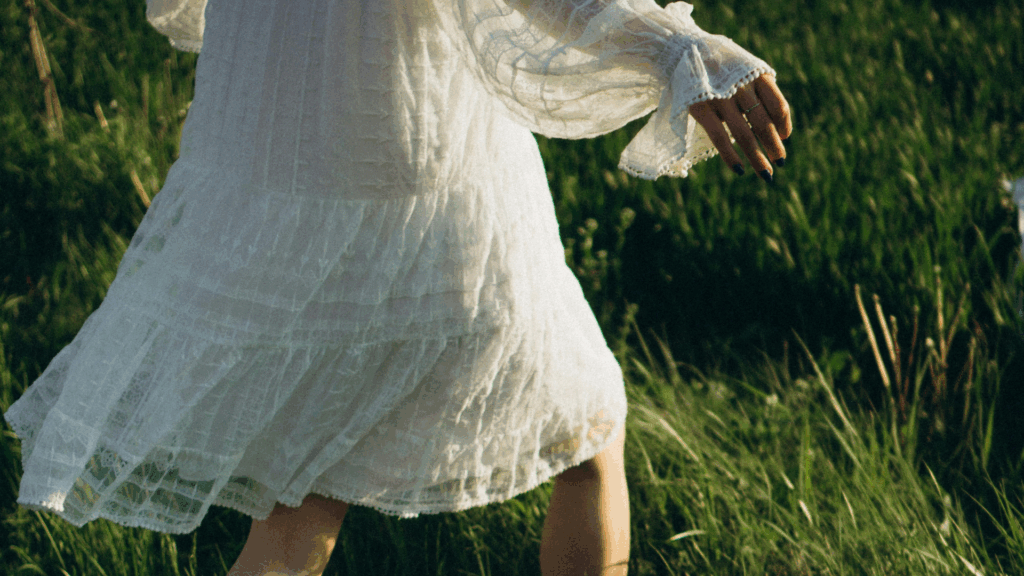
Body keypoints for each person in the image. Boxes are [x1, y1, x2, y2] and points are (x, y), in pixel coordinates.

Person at [3, 0, 791, 574]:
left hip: (274, 153)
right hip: (424, 174)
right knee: (586, 429)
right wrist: (674, 47)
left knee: (301, 503)